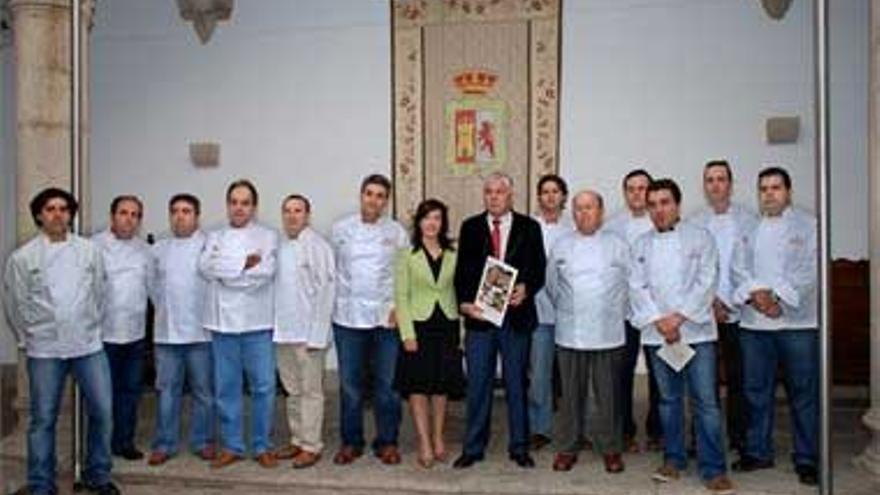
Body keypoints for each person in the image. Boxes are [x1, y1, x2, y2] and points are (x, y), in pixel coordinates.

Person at [3, 188, 120, 495]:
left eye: (64, 209)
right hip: (45, 349)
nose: (58, 214)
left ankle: (97, 476)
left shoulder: (88, 251)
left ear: (71, 214)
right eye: (50, 209)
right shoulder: (22, 258)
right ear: (39, 215)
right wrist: (28, 337)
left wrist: (91, 324)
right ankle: (42, 484)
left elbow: (100, 291)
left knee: (104, 411)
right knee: (42, 418)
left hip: (88, 344)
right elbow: (15, 304)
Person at [629, 179, 734, 494]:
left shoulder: (700, 238)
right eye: (653, 204)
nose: (658, 210)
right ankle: (673, 460)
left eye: (665, 202)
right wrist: (660, 321)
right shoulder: (641, 245)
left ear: (677, 204)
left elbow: (707, 280)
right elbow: (637, 287)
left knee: (706, 402)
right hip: (658, 334)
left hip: (696, 331)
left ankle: (713, 468)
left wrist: (679, 317)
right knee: (669, 401)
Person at [730, 166, 819, 486]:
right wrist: (757, 297)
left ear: (788, 192)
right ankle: (758, 451)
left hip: (797, 323)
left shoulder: (809, 226)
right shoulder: (749, 227)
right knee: (756, 391)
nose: (769, 194)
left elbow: (811, 270)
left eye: (775, 188)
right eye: (763, 189)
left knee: (804, 393)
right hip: (755, 325)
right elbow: (738, 268)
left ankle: (808, 457)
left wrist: (778, 298)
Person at [453, 172, 546, 469]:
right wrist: (465, 304)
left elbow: (538, 268)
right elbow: (463, 272)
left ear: (511, 195)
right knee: (478, 384)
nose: (494, 197)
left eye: (499, 192)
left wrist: (526, 288)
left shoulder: (530, 227)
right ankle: (473, 447)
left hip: (516, 318)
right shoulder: (470, 227)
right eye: (489, 192)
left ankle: (519, 447)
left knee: (516, 383)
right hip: (481, 319)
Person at [545, 190, 628, 473]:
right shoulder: (562, 244)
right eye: (578, 209)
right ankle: (568, 448)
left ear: (601, 212)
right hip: (571, 331)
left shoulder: (617, 244)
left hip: (608, 332)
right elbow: (552, 285)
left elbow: (630, 284)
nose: (584, 213)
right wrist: (569, 309)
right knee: (570, 396)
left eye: (590, 208)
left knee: (608, 396)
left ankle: (611, 449)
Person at [199, 179, 278, 469]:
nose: (239, 208)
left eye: (245, 203)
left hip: (258, 324)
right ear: (228, 204)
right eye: (234, 202)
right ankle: (232, 445)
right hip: (223, 326)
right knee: (226, 388)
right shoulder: (214, 236)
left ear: (254, 207)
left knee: (264, 387)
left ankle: (262, 445)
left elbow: (266, 272)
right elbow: (206, 268)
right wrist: (245, 264)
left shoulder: (268, 237)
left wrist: (228, 271)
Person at [331, 174, 409, 465]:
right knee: (350, 386)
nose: (373, 200)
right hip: (347, 318)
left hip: (385, 319)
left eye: (380, 196)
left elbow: (404, 276)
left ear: (386, 201)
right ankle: (351, 442)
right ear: (361, 195)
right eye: (369, 193)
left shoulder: (397, 232)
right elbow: (332, 273)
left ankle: (387, 441)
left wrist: (399, 309)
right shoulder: (340, 229)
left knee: (387, 386)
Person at [689, 160, 758, 454]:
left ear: (730, 184)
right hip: (703, 313)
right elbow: (691, 269)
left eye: (720, 179)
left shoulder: (749, 220)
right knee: (703, 382)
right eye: (710, 180)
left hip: (739, 311)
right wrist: (711, 301)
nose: (715, 185)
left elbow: (751, 266)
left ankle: (739, 436)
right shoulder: (693, 222)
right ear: (704, 186)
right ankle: (702, 438)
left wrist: (731, 301)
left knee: (739, 378)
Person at [394, 198, 465, 469]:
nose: (432, 223)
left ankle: (438, 438)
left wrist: (462, 331)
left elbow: (458, 292)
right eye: (427, 217)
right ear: (419, 222)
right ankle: (423, 441)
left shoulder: (453, 254)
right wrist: (407, 334)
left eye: (437, 218)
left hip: (446, 325)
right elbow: (401, 296)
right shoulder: (406, 255)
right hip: (418, 326)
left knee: (441, 386)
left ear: (443, 223)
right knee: (418, 386)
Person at [147, 193, 215, 466]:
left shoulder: (209, 246)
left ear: (197, 216)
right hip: (167, 334)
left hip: (201, 333)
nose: (180, 216)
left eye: (186, 211)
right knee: (167, 391)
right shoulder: (159, 249)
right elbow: (152, 287)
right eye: (175, 211)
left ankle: (202, 441)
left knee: (203, 392)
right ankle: (165, 443)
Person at [273, 194, 336, 469]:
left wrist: (318, 335)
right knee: (293, 391)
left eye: (297, 211)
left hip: (309, 334)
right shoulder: (282, 246)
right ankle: (297, 439)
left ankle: (312, 446)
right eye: (287, 211)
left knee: (311, 392)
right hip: (284, 332)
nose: (291, 216)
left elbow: (327, 290)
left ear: (307, 215)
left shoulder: (318, 246)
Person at [604, 168, 663, 452]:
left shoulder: (662, 222)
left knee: (658, 372)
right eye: (631, 188)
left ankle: (657, 431)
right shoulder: (613, 226)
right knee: (622, 374)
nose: (637, 193)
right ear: (625, 193)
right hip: (624, 312)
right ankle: (624, 431)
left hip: (656, 312)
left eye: (642, 188)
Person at [93, 195, 151, 461]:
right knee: (101, 396)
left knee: (130, 393)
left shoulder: (145, 250)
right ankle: (98, 446)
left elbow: (153, 290)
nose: (129, 219)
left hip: (135, 335)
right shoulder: (94, 246)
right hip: (102, 335)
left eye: (135, 214)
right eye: (124, 213)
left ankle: (123, 442)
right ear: (112, 216)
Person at [528, 174, 572, 450]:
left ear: (564, 197)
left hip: (571, 315)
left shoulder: (574, 228)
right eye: (545, 191)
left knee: (574, 377)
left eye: (556, 191)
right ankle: (540, 429)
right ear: (539, 197)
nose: (550, 196)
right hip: (539, 313)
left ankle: (574, 430)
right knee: (539, 376)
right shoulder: (528, 228)